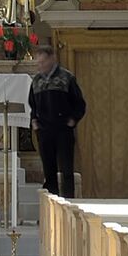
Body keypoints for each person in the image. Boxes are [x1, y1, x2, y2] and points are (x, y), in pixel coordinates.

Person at [28, 48, 87, 199]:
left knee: (66, 170)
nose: (40, 66)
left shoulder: (66, 78)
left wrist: (73, 120)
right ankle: (52, 208)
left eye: (42, 62)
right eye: (38, 63)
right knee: (49, 171)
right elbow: (32, 105)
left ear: (51, 59)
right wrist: (34, 121)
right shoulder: (36, 81)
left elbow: (79, 103)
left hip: (63, 129)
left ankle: (69, 204)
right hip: (44, 130)